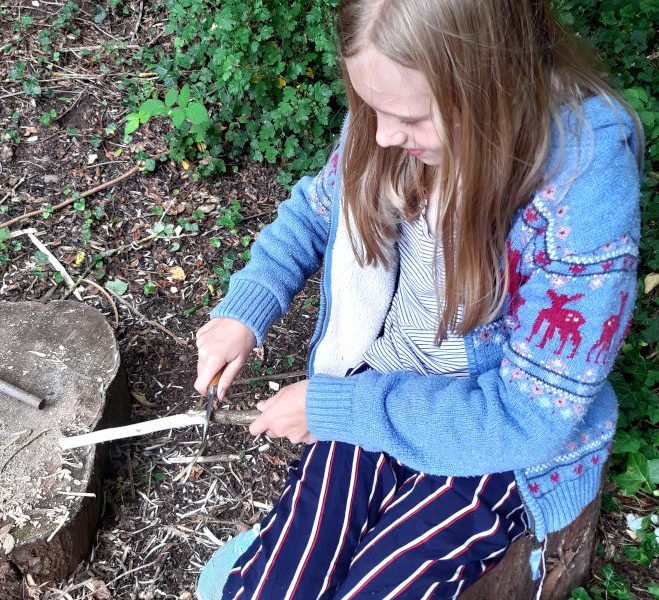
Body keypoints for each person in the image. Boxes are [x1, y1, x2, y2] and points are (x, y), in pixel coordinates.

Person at [194, 0, 643, 598]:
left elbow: (528, 417)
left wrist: (339, 410)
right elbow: (314, 212)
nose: (381, 135)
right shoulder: (395, 124)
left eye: (408, 117)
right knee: (271, 586)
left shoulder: (584, 187)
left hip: (496, 444)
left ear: (494, 87)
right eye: (372, 109)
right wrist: (243, 311)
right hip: (380, 388)